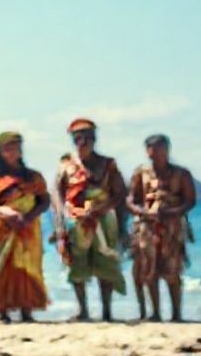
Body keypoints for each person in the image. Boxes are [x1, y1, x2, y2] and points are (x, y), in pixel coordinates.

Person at [53, 118, 127, 322]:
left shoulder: (107, 164)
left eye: (87, 137)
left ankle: (107, 312)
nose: (83, 141)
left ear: (94, 139)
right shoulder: (66, 165)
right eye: (78, 138)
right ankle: (83, 310)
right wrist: (61, 220)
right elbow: (58, 193)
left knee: (106, 265)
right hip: (75, 221)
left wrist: (106, 211)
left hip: (103, 220)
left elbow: (120, 193)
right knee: (77, 266)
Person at [0, 132, 50, 323]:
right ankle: (2, 311)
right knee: (0, 267)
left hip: (27, 229)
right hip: (0, 230)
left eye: (15, 147)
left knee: (27, 267)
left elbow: (44, 201)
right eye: (6, 148)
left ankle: (27, 311)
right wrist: (2, 211)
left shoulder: (33, 177)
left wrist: (28, 217)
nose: (11, 151)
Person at [127, 134, 197, 322]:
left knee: (173, 271)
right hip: (147, 228)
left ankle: (176, 314)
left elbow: (190, 200)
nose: (155, 153)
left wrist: (173, 212)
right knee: (149, 271)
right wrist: (143, 212)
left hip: (172, 228)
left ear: (167, 150)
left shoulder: (182, 174)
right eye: (151, 149)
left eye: (159, 148)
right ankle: (155, 313)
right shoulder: (140, 173)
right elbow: (131, 199)